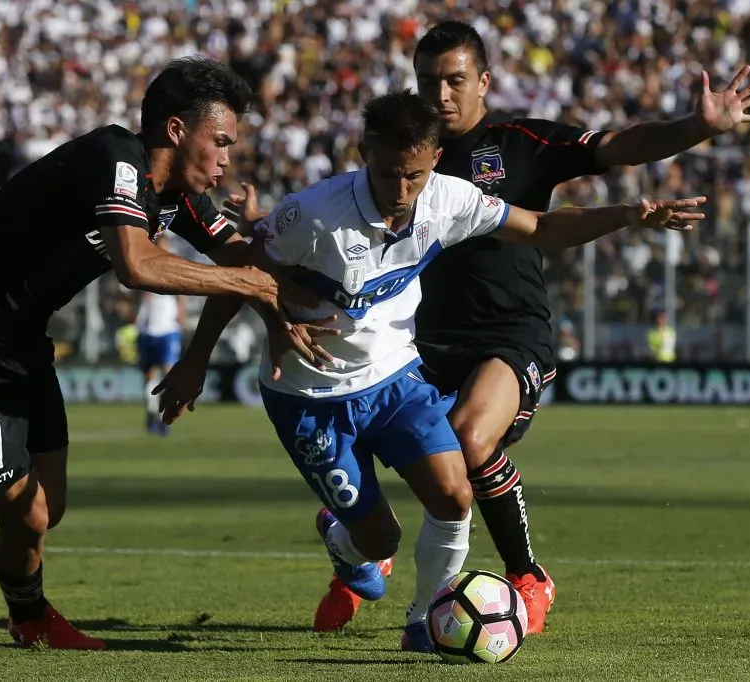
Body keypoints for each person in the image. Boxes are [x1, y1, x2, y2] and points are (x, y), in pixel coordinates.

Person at [154, 90, 706, 651]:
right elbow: (240, 272)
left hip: (396, 376)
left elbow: (541, 228)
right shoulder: (313, 214)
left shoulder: (451, 200)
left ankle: (425, 622)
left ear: (435, 160)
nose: (400, 191)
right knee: (378, 538)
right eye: (390, 173)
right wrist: (195, 361)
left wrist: (630, 216)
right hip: (309, 394)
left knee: (454, 495)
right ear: (367, 151)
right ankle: (345, 542)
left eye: (413, 176)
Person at [0, 56, 323, 651]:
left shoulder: (182, 197)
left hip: (24, 345)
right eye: (219, 141)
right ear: (175, 130)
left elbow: (248, 261)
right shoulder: (114, 158)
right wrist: (253, 286)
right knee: (20, 507)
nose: (226, 157)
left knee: (47, 506)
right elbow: (137, 266)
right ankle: (31, 616)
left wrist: (289, 286)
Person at [312, 20, 750, 635]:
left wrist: (696, 129)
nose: (441, 95)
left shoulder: (521, 142)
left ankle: (526, 576)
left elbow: (617, 146)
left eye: (454, 81)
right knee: (356, 458)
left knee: (469, 440)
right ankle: (359, 561)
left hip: (510, 335)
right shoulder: (403, 154)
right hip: (411, 343)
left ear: (484, 82)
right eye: (428, 82)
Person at [136, 236, 187, 435]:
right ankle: (151, 413)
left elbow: (181, 289)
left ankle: (164, 418)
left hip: (168, 328)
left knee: (168, 374)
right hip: (148, 328)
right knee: (149, 377)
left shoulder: (173, 266)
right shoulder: (144, 265)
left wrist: (181, 310)